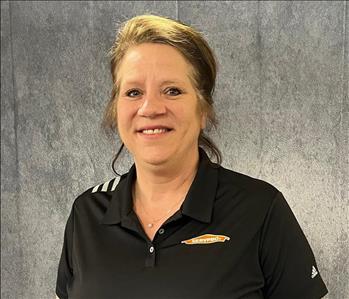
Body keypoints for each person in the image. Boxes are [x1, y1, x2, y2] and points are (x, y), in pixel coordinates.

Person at [56, 14, 328, 299]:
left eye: (172, 91)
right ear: (116, 108)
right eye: (134, 92)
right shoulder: (86, 214)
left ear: (203, 110)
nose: (150, 108)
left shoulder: (260, 209)